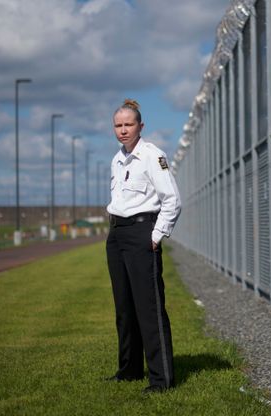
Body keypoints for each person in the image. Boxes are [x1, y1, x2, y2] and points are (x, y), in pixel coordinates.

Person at [104, 99, 181, 393]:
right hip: (117, 236)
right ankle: (129, 370)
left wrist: (155, 235)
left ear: (140, 126)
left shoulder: (152, 156)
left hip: (141, 233)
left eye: (128, 124)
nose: (123, 130)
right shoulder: (117, 159)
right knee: (124, 308)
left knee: (148, 309)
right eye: (118, 125)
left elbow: (172, 199)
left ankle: (161, 380)